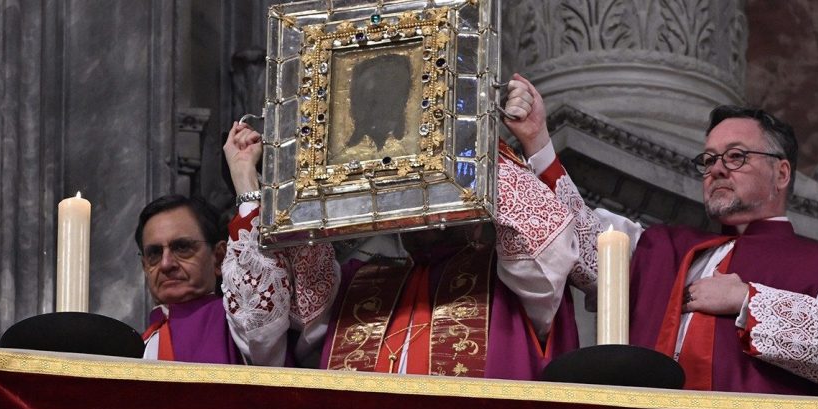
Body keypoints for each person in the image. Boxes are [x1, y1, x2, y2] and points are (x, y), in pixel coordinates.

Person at [504, 73, 818, 394]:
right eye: (709, 159)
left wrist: (747, 299)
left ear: (782, 173)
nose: (716, 169)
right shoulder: (660, 248)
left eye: (736, 156)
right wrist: (538, 140)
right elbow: (574, 241)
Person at [219, 97, 591, 378]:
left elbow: (552, 247)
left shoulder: (514, 280)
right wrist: (249, 186)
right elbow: (262, 337)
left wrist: (466, 131)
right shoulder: (354, 283)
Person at [134, 195, 243, 364]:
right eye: (154, 253)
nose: (165, 264)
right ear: (145, 267)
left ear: (219, 257)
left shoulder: (243, 324)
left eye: (182, 247)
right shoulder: (137, 346)